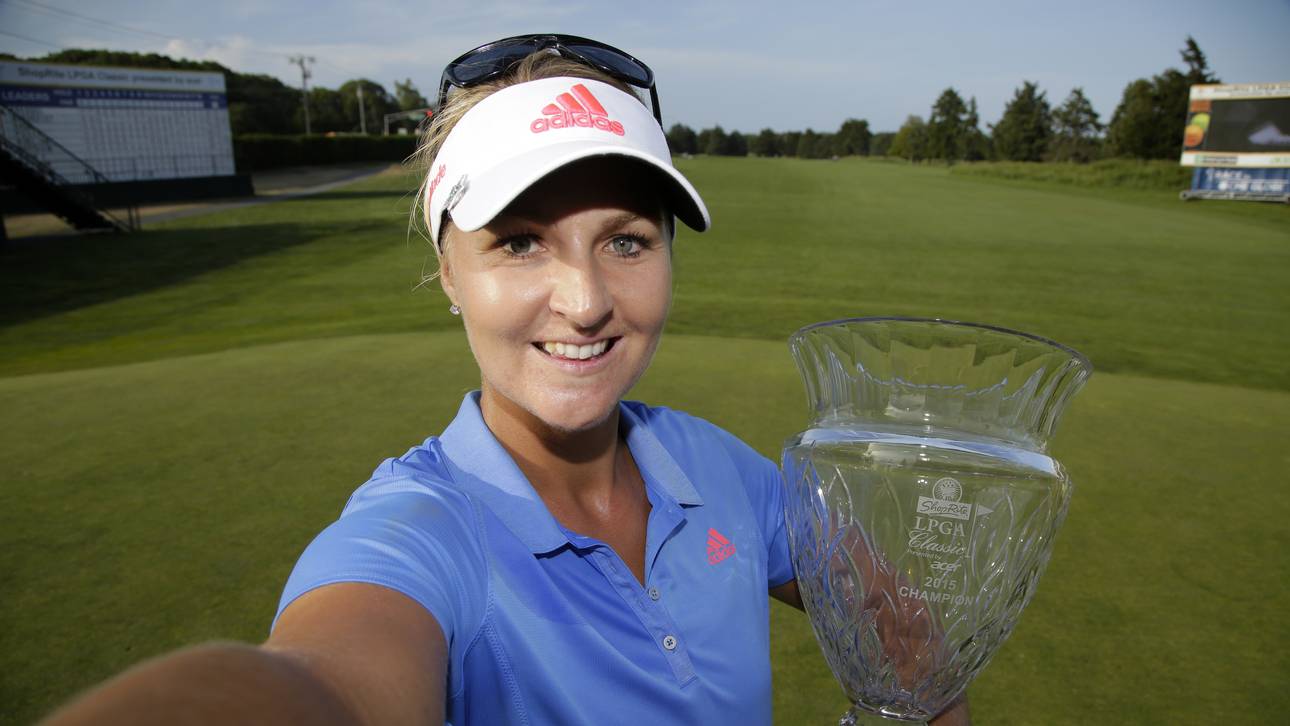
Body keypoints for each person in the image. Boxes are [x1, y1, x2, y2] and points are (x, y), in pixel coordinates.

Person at [42, 35, 969, 726]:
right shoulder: (419, 533)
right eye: (521, 242)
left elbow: (899, 627)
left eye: (626, 241)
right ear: (449, 272)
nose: (586, 302)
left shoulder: (722, 468)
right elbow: (320, 685)